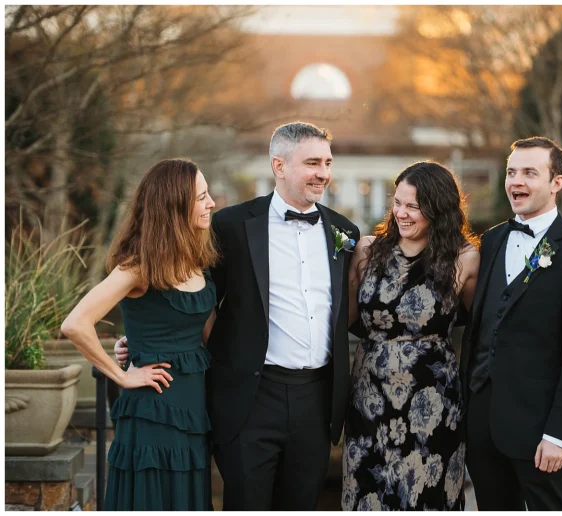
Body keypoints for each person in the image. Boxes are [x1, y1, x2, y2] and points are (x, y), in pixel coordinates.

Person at [115, 122, 359, 510]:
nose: (323, 174)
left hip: (316, 400)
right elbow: (192, 292)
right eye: (312, 163)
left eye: (328, 163)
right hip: (250, 399)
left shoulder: (344, 232)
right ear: (279, 165)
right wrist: (144, 340)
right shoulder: (230, 226)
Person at [62, 158, 217, 510]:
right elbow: (75, 324)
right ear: (174, 206)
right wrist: (121, 375)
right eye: (202, 197)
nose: (211, 204)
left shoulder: (198, 260)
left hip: (193, 408)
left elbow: (195, 329)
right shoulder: (138, 266)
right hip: (152, 409)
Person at [460, 136, 562, 510]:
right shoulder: (490, 242)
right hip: (482, 423)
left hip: (540, 431)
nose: (516, 182)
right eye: (511, 172)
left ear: (557, 182)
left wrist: (560, 433)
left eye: (529, 173)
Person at [342, 161, 480, 511]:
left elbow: (482, 328)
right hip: (369, 400)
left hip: (432, 407)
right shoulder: (368, 251)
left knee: (426, 498)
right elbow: (340, 320)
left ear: (437, 209)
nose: (401, 213)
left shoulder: (464, 258)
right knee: (367, 497)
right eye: (397, 202)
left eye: (413, 206)